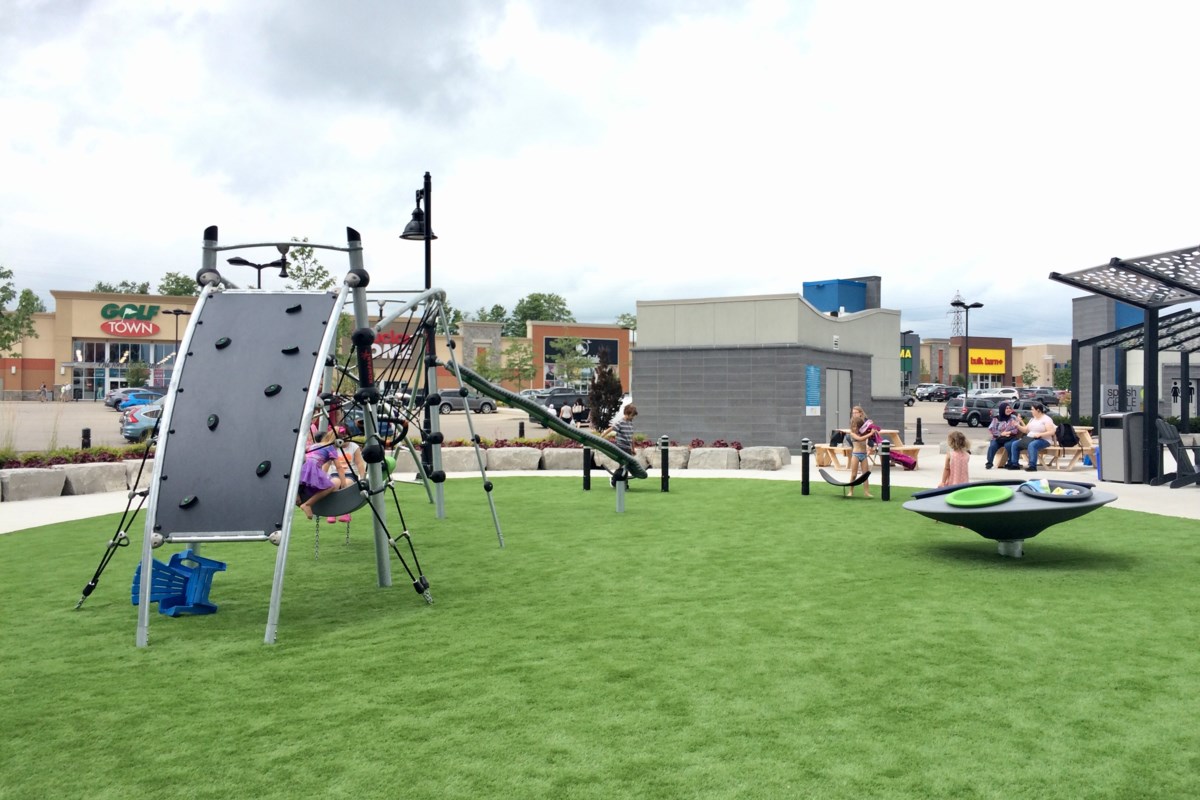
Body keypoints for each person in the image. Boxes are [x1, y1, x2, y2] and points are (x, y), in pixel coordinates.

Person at [297, 430, 339, 519]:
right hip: (312, 466)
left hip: (302, 466)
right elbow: (339, 468)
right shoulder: (331, 448)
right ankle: (307, 504)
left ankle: (297, 496)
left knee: (302, 481)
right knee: (330, 486)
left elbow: (302, 451)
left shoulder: (314, 445)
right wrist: (343, 484)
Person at [325, 427, 363, 524]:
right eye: (340, 438)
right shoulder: (333, 448)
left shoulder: (354, 447)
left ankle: (345, 512)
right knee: (333, 485)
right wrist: (322, 476)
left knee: (346, 485)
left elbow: (359, 463)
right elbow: (327, 463)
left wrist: (362, 477)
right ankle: (332, 511)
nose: (343, 441)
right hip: (335, 473)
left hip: (349, 474)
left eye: (345, 437)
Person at [1006, 402, 1055, 472]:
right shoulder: (1033, 419)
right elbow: (1025, 430)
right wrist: (1017, 425)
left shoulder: (1046, 419)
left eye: (1032, 410)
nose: (1031, 411)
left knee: (1032, 445)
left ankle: (1032, 466)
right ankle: (1015, 464)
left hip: (1043, 440)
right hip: (1030, 438)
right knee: (1015, 444)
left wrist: (1040, 434)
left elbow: (1051, 432)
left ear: (1038, 410)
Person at [602, 403, 638, 488]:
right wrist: (601, 437)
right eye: (632, 415)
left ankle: (623, 483)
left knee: (627, 466)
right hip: (621, 447)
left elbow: (631, 437)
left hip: (628, 448)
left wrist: (633, 448)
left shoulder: (630, 423)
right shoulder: (620, 422)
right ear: (627, 413)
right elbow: (610, 429)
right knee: (624, 465)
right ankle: (614, 481)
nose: (633, 417)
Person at [985, 401, 1020, 469]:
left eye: (1009, 408)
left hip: (1010, 437)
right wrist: (1001, 434)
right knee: (992, 446)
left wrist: (1008, 433)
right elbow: (992, 429)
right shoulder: (996, 419)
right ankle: (989, 462)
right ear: (1002, 409)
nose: (1008, 410)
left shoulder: (1013, 418)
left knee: (1009, 445)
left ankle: (1010, 463)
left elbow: (1016, 429)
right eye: (1006, 408)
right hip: (998, 438)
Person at [847, 406, 873, 498]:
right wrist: (870, 433)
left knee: (865, 475)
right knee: (853, 474)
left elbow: (868, 434)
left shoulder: (864, 431)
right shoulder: (852, 433)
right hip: (856, 455)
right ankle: (850, 491)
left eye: (856, 426)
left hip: (864, 455)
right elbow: (860, 438)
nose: (854, 427)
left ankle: (866, 492)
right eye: (853, 426)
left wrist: (872, 430)